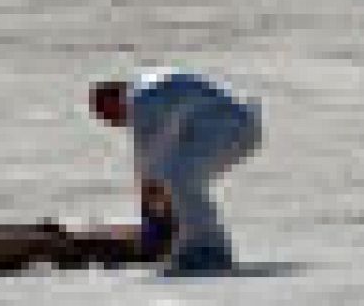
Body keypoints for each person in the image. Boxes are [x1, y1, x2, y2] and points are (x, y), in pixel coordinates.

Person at [89, 69, 262, 273]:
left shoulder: (141, 101)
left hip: (231, 127)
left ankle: (209, 248)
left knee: (177, 177)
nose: (111, 122)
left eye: (106, 113)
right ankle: (192, 240)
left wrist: (150, 220)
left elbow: (148, 162)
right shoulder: (148, 89)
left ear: (114, 96)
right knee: (178, 178)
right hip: (228, 125)